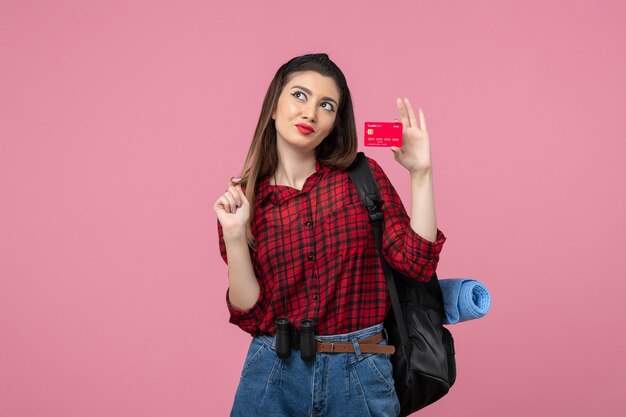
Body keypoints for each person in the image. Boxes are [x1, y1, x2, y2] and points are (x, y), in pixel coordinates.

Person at [213, 53, 446, 417]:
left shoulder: (362, 177)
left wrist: (422, 174)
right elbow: (251, 315)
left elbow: (416, 263)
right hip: (272, 372)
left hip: (361, 371)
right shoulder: (244, 200)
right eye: (299, 96)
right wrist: (235, 235)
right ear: (274, 105)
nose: (310, 113)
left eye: (326, 105)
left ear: (335, 121)